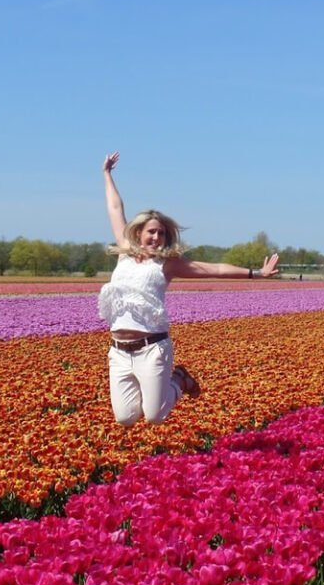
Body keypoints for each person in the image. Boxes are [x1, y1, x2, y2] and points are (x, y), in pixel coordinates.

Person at [97, 151, 279, 426]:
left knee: (155, 416)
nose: (156, 237)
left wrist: (257, 273)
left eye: (161, 233)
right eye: (151, 231)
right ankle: (166, 386)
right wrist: (107, 175)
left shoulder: (168, 265)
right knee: (125, 418)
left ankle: (180, 379)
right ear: (139, 233)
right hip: (119, 351)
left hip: (151, 348)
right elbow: (114, 208)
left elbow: (215, 270)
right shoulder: (125, 251)